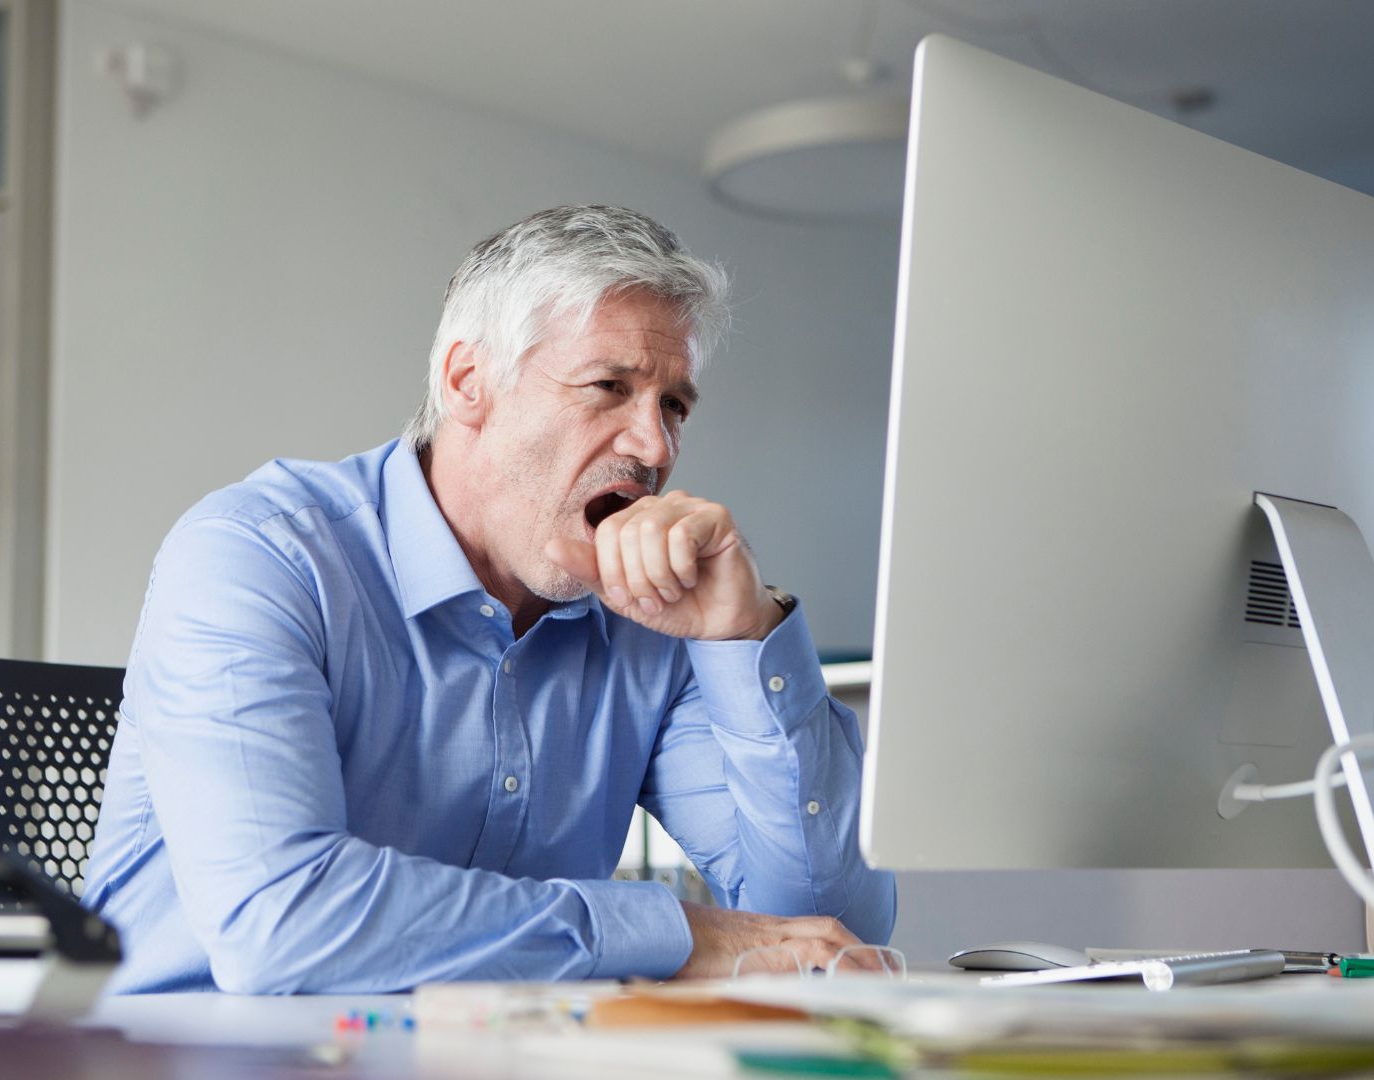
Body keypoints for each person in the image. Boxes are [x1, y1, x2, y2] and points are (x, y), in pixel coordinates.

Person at [82, 205, 896, 993]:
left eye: (673, 405)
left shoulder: (647, 616)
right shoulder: (257, 554)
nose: (656, 447)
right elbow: (280, 922)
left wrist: (743, 636)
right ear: (468, 381)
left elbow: (828, 929)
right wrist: (674, 933)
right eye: (609, 386)